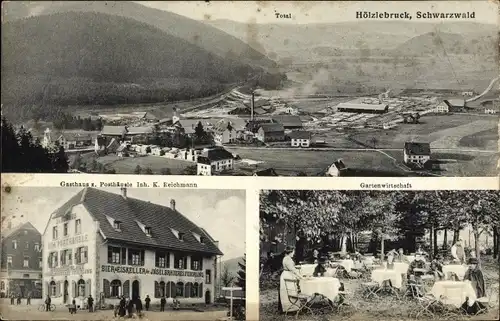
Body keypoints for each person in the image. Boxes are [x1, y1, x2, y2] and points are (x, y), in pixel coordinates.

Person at [278, 246, 304, 313]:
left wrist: (295, 267)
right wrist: (301, 277)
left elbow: (291, 267)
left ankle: (293, 307)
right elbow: (293, 270)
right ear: (290, 252)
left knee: (291, 290)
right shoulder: (287, 259)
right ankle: (290, 308)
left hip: (288, 274)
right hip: (287, 275)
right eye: (293, 252)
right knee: (289, 291)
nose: (294, 253)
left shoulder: (287, 258)